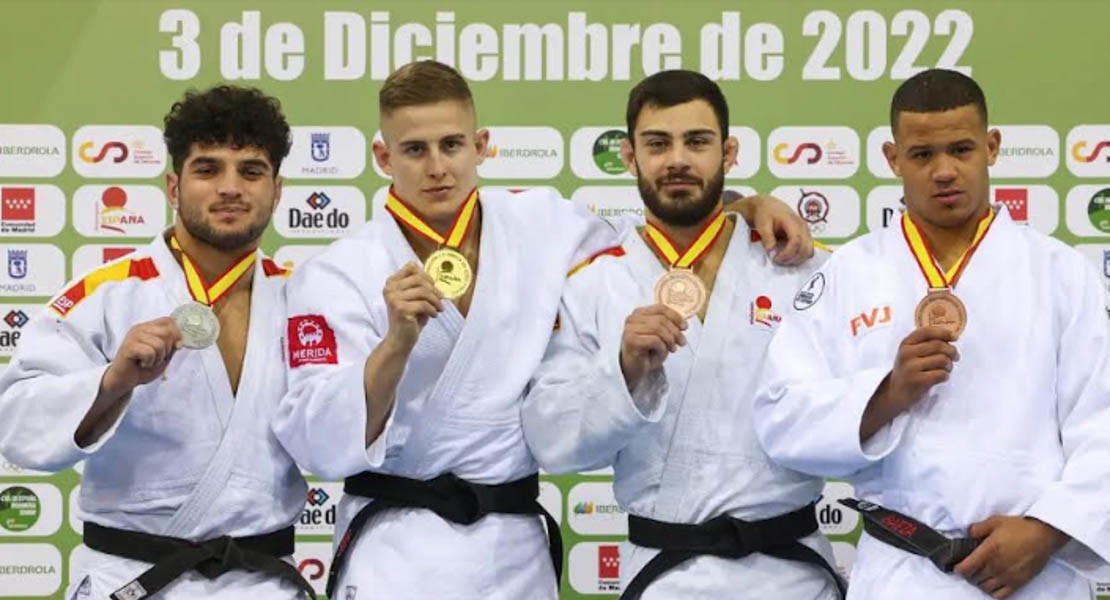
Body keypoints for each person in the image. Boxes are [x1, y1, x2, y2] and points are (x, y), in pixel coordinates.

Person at [271, 60, 814, 600]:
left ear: (481, 145)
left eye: (452, 145)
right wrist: (395, 347)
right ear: (384, 157)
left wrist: (745, 207)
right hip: (396, 549)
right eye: (415, 150)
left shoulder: (544, 225)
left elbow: (662, 234)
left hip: (513, 549)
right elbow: (318, 445)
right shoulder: (336, 272)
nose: (437, 167)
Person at [753, 68, 1110, 599]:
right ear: (893, 159)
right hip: (902, 573)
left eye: (961, 149)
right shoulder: (849, 273)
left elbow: (1101, 420)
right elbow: (780, 416)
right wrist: (887, 394)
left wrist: (1048, 531)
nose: (944, 171)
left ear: (991, 147)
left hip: (1032, 575)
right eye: (922, 155)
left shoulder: (1059, 273)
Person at [522, 69, 844, 600]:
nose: (677, 160)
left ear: (729, 152)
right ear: (629, 156)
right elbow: (551, 441)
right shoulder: (594, 283)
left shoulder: (801, 269)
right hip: (667, 576)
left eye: (697, 141)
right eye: (657, 143)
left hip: (794, 575)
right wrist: (621, 371)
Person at [0, 86, 313, 600]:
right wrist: (112, 381)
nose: (230, 187)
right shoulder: (110, 292)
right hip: (132, 578)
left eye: (251, 171)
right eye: (208, 169)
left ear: (277, 190)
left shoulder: (306, 295)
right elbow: (15, 420)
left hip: (262, 581)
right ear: (173, 185)